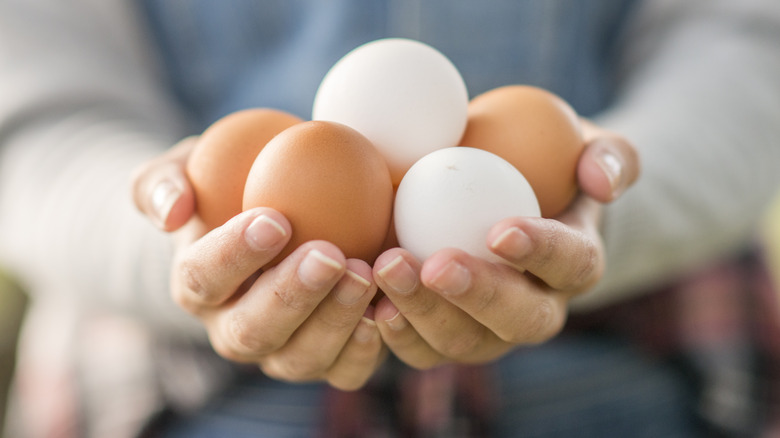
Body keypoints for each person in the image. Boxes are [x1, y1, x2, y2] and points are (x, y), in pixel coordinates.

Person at [0, 0, 779, 437]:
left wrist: (601, 206)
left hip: (627, 385)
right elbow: (31, 119)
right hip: (177, 401)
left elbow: (747, 46)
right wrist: (183, 239)